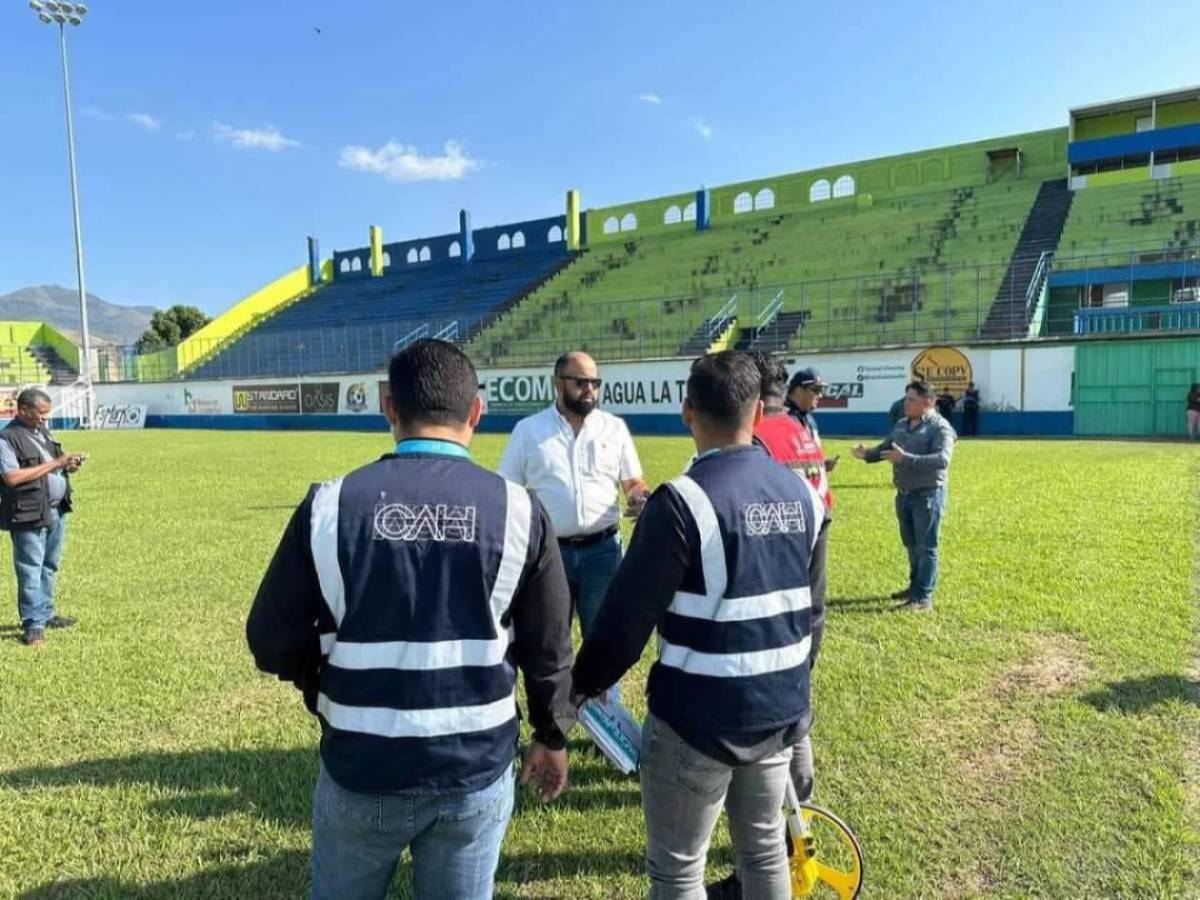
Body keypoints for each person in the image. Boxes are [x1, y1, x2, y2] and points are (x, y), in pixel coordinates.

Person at [247, 340, 576, 900]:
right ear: (476, 412)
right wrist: (552, 733)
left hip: (361, 762)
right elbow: (550, 646)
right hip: (474, 768)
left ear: (388, 407)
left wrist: (322, 679)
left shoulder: (328, 505)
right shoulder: (522, 509)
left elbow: (269, 639)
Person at [573, 351, 824, 900]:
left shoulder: (680, 501)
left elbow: (625, 620)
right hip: (778, 711)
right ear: (760, 413)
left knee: (679, 868)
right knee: (762, 850)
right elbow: (814, 615)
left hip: (696, 720)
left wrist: (583, 683)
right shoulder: (805, 496)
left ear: (687, 412)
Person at [498, 351, 648, 638]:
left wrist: (640, 496)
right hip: (550, 554)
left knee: (603, 637)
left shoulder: (613, 428)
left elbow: (633, 483)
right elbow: (508, 490)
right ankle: (559, 686)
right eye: (580, 382)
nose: (589, 389)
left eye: (595, 382)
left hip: (603, 552)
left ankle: (603, 687)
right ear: (558, 384)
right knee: (551, 640)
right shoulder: (528, 431)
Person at [752, 359, 834, 667]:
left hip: (774, 536)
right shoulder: (798, 429)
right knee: (811, 604)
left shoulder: (752, 433)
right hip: (816, 524)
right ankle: (804, 669)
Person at [851, 380, 955, 612]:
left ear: (928, 402)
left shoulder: (940, 427)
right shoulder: (901, 424)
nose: (905, 404)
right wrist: (866, 454)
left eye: (911, 399)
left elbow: (942, 459)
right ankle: (914, 586)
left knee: (926, 546)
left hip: (927, 494)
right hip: (904, 495)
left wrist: (905, 459)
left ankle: (923, 597)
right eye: (906, 398)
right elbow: (885, 449)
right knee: (911, 543)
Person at [0, 387, 84, 647]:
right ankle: (33, 625)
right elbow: (12, 477)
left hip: (55, 509)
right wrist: (56, 464)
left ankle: (45, 613)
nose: (44, 419)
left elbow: (51, 464)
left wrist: (68, 464)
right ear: (23, 410)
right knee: (30, 569)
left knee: (50, 566)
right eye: (40, 414)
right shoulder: (6, 439)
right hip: (28, 513)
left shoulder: (42, 432)